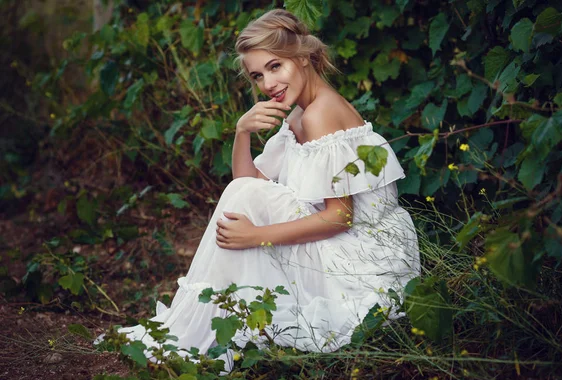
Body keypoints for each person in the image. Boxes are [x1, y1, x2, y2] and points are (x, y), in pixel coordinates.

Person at [117, 8, 420, 360]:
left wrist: (255, 236)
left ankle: (206, 323)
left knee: (246, 202)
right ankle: (209, 321)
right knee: (245, 193)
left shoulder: (321, 113)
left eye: (276, 67)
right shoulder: (298, 115)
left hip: (363, 261)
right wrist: (241, 132)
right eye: (258, 76)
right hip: (345, 245)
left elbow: (341, 217)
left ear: (304, 57)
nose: (268, 85)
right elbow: (247, 185)